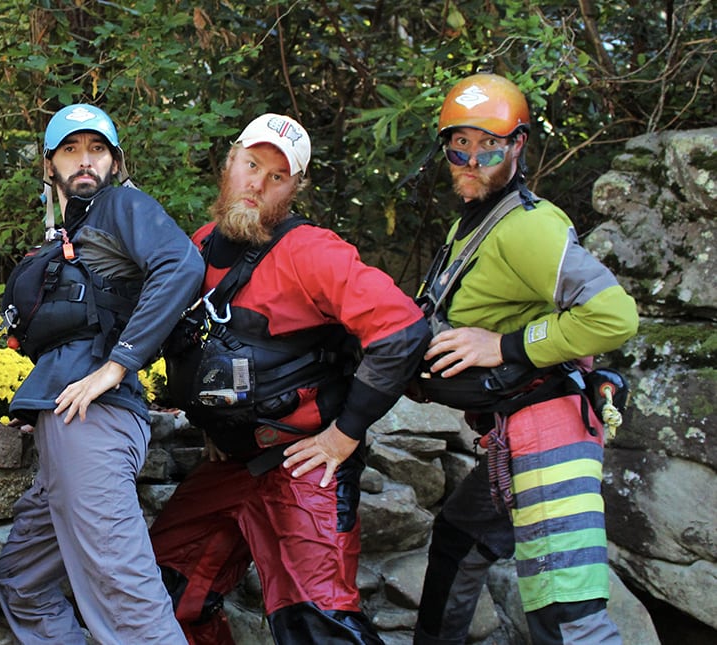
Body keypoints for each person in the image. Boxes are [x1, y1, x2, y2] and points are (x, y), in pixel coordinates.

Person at [148, 114, 431, 644]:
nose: (257, 182)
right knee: (162, 595)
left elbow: (403, 332)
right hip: (231, 465)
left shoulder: (311, 251)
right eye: (252, 164)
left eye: (277, 176)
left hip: (304, 463)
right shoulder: (200, 245)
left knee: (317, 627)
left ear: (294, 187)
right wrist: (216, 424)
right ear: (229, 162)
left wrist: (344, 435)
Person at [410, 73, 638, 645]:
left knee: (567, 615)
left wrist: (505, 346)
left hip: (548, 433)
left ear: (517, 145)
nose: (470, 159)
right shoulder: (478, 224)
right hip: (510, 437)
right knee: (458, 540)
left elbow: (615, 317)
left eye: (487, 145)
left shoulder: (529, 226)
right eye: (458, 145)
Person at [0, 103, 203, 644]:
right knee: (22, 581)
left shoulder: (119, 206)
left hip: (95, 423)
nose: (85, 161)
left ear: (114, 162)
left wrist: (118, 364)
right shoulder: (68, 232)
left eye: (97, 149)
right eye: (71, 149)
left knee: (128, 602)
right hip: (66, 425)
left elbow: (182, 264)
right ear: (50, 165)